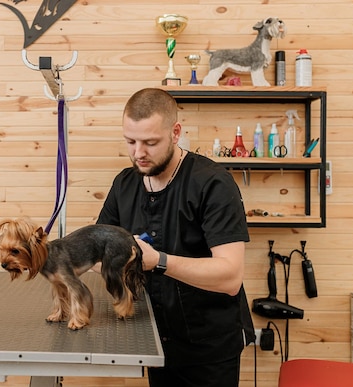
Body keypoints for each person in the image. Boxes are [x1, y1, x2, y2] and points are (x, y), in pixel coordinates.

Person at [96, 88, 255, 387]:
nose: (138, 153)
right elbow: (98, 250)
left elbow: (230, 276)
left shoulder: (212, 183)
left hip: (209, 348)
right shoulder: (125, 183)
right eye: (130, 142)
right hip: (155, 341)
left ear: (176, 133)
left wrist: (158, 261)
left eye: (150, 142)